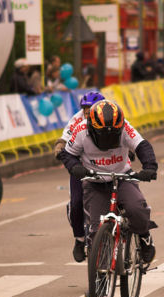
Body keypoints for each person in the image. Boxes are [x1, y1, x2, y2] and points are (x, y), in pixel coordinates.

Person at [57, 100, 158, 264]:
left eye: (112, 134)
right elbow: (68, 154)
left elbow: (142, 145)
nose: (108, 137)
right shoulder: (81, 130)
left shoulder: (125, 127)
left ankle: (145, 237)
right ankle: (100, 278)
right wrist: (75, 167)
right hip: (94, 181)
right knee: (96, 231)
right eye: (103, 133)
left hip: (122, 177)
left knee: (136, 208)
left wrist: (150, 167)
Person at [54, 91, 106, 262]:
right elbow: (65, 137)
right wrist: (60, 146)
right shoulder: (77, 120)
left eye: (90, 108)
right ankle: (79, 239)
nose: (86, 112)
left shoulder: (110, 115)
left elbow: (125, 135)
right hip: (81, 167)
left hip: (105, 165)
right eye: (84, 108)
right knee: (77, 202)